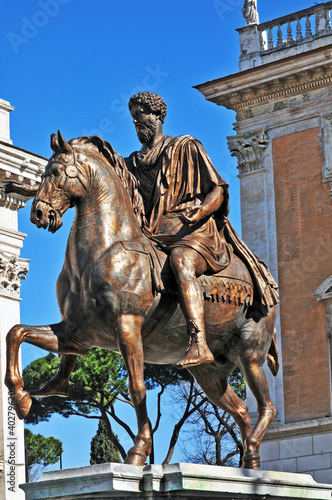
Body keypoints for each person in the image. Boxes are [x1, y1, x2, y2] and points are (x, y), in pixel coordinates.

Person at [125, 91, 233, 368]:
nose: (138, 122)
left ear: (158, 115)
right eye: (134, 118)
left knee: (180, 261)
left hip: (192, 231)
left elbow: (217, 189)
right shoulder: (133, 164)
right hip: (154, 233)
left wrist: (201, 210)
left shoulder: (186, 146)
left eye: (142, 115)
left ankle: (199, 342)